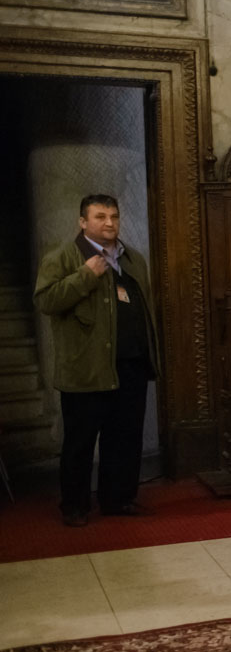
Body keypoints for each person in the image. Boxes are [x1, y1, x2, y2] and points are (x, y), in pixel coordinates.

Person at [33, 194, 160, 527]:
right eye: (100, 216)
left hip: (130, 365)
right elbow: (46, 300)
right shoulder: (63, 257)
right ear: (83, 222)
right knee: (81, 442)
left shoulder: (133, 259)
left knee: (125, 437)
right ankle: (74, 506)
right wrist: (85, 275)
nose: (109, 223)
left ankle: (118, 499)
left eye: (114, 216)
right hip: (86, 369)